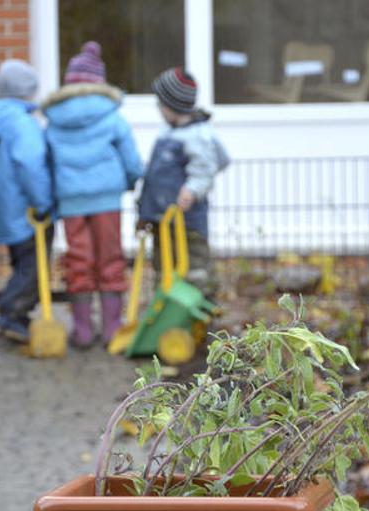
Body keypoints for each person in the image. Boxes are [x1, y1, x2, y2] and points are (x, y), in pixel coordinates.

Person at [43, 41, 143, 348]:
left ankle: (83, 331)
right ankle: (112, 329)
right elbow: (133, 162)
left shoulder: (54, 120)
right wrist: (126, 182)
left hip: (71, 202)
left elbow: (46, 161)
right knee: (110, 259)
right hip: (106, 201)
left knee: (78, 260)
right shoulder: (112, 116)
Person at [0, 59, 54, 344]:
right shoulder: (22, 124)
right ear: (28, 91)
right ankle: (11, 314)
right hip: (26, 207)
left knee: (21, 262)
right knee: (34, 264)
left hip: (0, 203)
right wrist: (43, 203)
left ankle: (17, 316)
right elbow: (29, 164)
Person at [137, 67, 229, 301]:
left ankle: (201, 315)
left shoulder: (198, 135)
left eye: (160, 104)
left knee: (194, 267)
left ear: (173, 106)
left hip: (186, 220)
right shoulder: (167, 133)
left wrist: (192, 189)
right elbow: (154, 178)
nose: (158, 109)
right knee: (164, 268)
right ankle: (166, 315)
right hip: (161, 218)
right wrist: (144, 213)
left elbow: (207, 168)